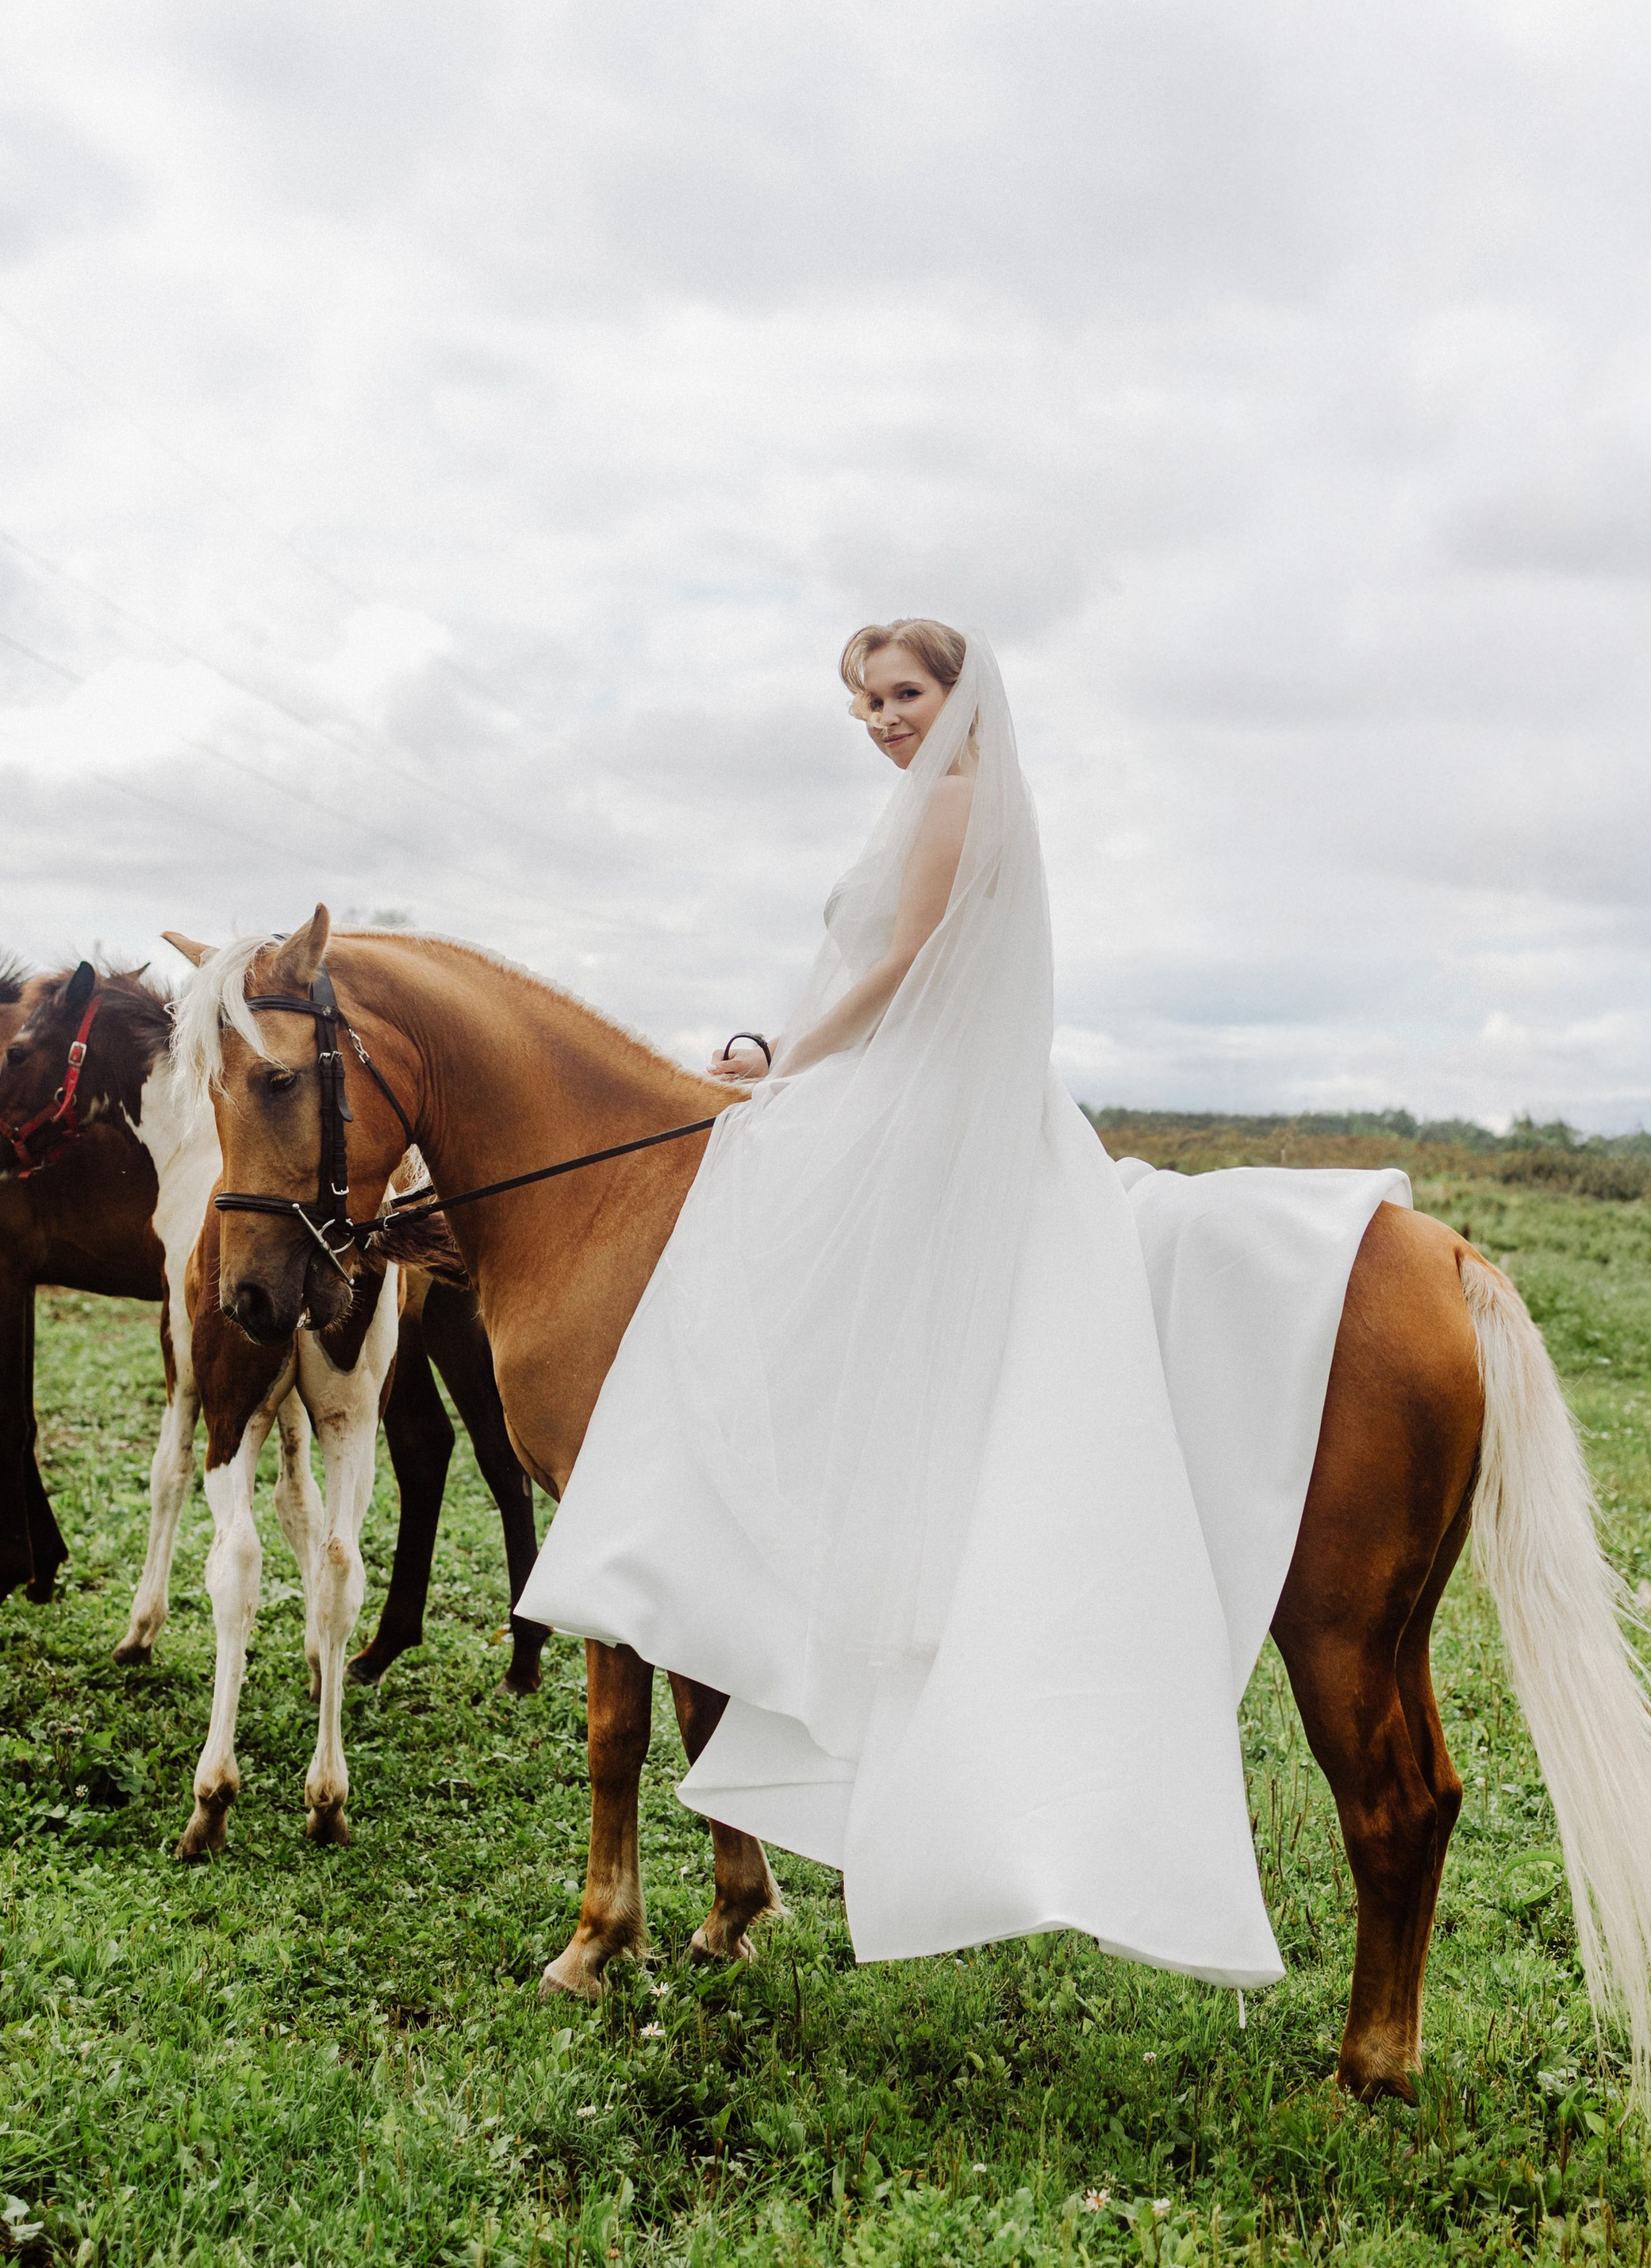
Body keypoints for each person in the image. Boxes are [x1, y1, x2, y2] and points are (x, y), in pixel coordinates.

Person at [516, 621, 1283, 1987]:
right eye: (866, 701)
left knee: (740, 1226)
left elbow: (904, 972)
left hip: (920, 1102)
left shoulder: (954, 800)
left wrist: (786, 1068)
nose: (881, 718)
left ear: (960, 693)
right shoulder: (953, 799)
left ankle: (735, 1516)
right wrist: (788, 1050)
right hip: (921, 1085)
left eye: (903, 693)